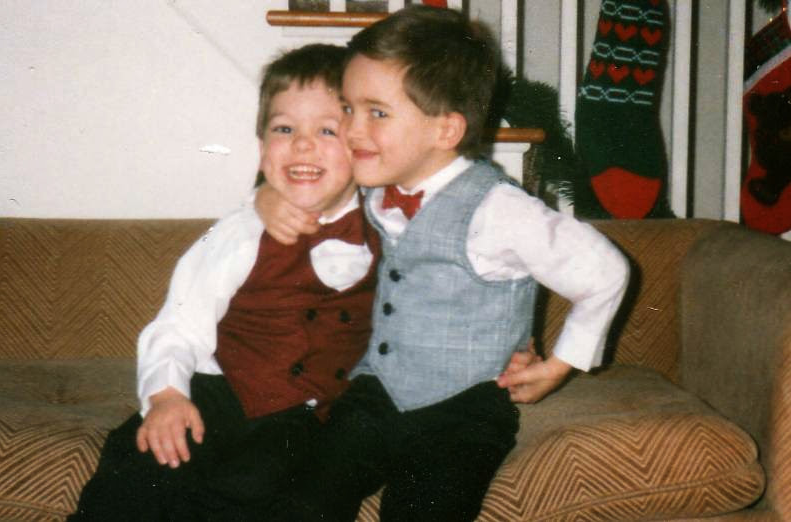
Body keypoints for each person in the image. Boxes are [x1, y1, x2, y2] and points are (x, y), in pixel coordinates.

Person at [256, 5, 630, 522]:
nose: (351, 129)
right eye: (347, 109)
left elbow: (605, 271)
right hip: (374, 392)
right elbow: (303, 192)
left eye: (376, 112)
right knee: (298, 499)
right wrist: (267, 201)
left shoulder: (499, 209)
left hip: (464, 412)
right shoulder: (373, 184)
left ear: (446, 130)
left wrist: (561, 364)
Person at [69, 43, 381, 521]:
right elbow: (178, 323)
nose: (302, 144)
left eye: (326, 129)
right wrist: (167, 396)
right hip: (214, 397)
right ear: (261, 149)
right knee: (141, 473)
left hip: (302, 421)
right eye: (283, 129)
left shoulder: (389, 231)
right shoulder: (240, 230)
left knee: (262, 493)